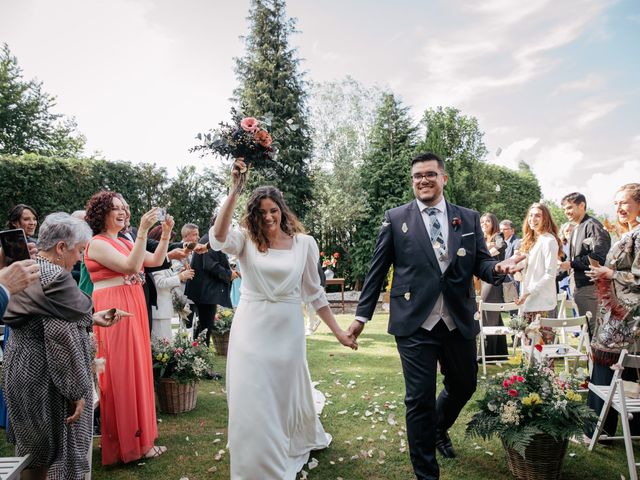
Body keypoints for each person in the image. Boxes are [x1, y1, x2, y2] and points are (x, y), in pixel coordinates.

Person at [348, 152, 521, 480]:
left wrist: (497, 268)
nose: (423, 180)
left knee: (465, 385)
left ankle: (438, 428)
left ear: (443, 178)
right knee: (419, 399)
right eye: (417, 176)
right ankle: (427, 474)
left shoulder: (468, 219)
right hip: (415, 321)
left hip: (457, 318)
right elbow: (377, 270)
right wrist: (362, 316)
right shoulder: (396, 217)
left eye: (430, 174)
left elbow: (480, 263)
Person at [211, 159, 357, 479]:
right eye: (261, 212)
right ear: (253, 215)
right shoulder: (244, 240)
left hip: (287, 329)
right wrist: (235, 190)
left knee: (279, 397)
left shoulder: (304, 244)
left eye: (273, 210)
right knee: (252, 395)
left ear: (282, 210)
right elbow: (218, 238)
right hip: (251, 326)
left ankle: (282, 445)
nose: (268, 217)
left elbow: (315, 293)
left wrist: (339, 333)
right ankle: (258, 465)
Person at [2, 212, 128, 480]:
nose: (80, 258)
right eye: (79, 250)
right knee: (59, 457)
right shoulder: (56, 277)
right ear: (61, 248)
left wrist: (91, 318)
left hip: (19, 365)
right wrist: (76, 391)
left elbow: (40, 316)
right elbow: (60, 338)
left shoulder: (23, 269)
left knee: (32, 455)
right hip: (45, 375)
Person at [83, 191, 171, 464]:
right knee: (121, 372)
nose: (122, 212)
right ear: (101, 214)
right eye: (114, 208)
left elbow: (154, 261)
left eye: (124, 207)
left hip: (133, 303)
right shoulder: (97, 243)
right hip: (114, 307)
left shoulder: (122, 241)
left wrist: (166, 233)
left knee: (137, 368)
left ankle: (141, 439)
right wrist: (143, 230)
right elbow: (131, 265)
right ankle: (127, 445)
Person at [585, 183, 640, 441]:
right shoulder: (626, 234)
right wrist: (602, 274)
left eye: (624, 202)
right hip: (615, 314)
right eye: (616, 203)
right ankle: (615, 430)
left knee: (610, 367)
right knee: (622, 369)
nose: (619, 207)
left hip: (628, 319)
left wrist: (611, 273)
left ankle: (596, 430)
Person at [559, 192, 610, 336]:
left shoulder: (593, 225)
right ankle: (592, 358)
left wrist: (572, 263)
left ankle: (598, 359)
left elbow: (598, 256)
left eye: (569, 207)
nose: (566, 212)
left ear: (582, 205)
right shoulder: (576, 228)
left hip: (590, 286)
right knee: (586, 329)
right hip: (578, 285)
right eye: (564, 209)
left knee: (591, 329)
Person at [514, 203, 562, 344]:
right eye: (531, 215)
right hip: (528, 301)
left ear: (545, 218)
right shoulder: (531, 241)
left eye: (537, 215)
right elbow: (528, 272)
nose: (533, 218)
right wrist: (517, 267)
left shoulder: (549, 240)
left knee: (542, 352)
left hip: (542, 303)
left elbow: (549, 274)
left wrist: (528, 292)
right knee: (528, 349)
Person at [185, 215, 235, 346]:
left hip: (206, 292)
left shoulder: (211, 240)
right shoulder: (209, 240)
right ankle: (201, 356)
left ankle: (198, 354)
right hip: (205, 292)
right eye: (227, 224)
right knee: (206, 326)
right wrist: (229, 274)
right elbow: (210, 265)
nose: (229, 228)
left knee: (204, 325)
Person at [149, 226, 195, 341]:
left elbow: (166, 279)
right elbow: (159, 282)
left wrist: (179, 275)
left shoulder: (162, 260)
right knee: (161, 344)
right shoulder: (155, 260)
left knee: (166, 343)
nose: (170, 244)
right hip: (159, 308)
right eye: (168, 241)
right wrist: (179, 277)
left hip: (164, 308)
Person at [479, 212, 508, 360]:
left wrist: (488, 253)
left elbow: (502, 246)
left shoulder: (498, 235)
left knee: (487, 313)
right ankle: (499, 353)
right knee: (494, 316)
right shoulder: (482, 238)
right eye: (482, 222)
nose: (484, 224)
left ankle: (488, 354)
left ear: (493, 223)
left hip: (494, 280)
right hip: (484, 279)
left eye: (487, 222)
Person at [499, 219, 521, 303]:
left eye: (505, 229)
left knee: (513, 303)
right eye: (500, 229)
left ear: (512, 231)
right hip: (503, 276)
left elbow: (516, 256)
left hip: (513, 277)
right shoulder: (500, 242)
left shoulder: (517, 241)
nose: (502, 231)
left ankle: (514, 315)